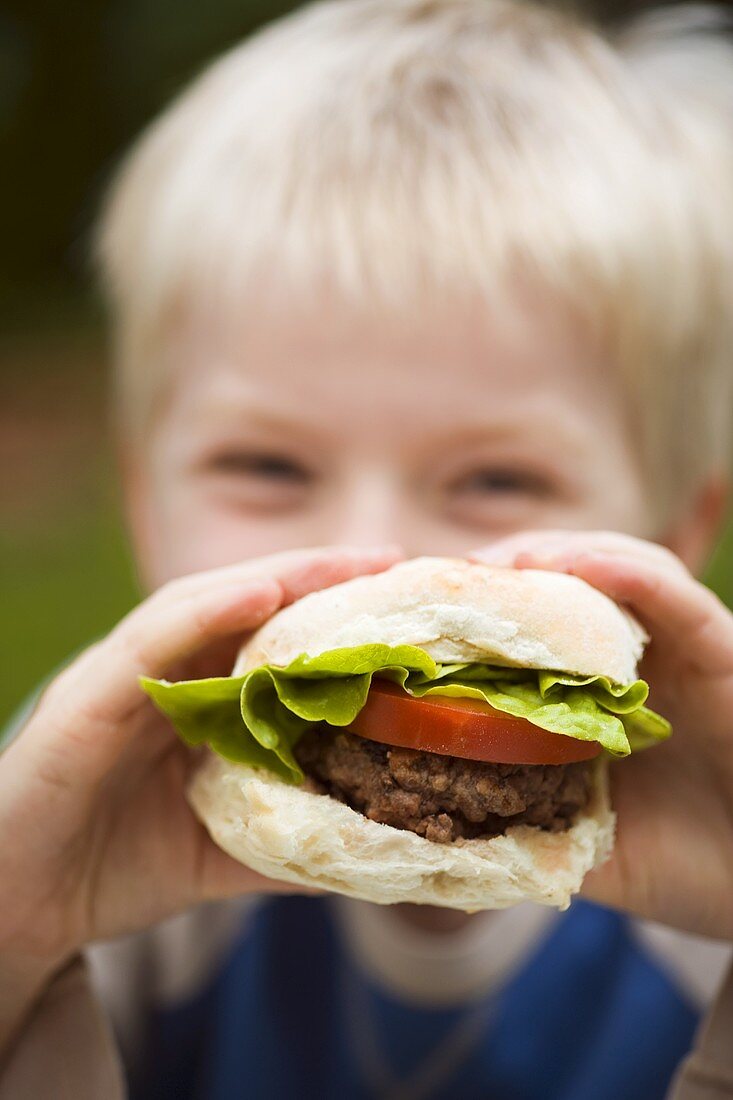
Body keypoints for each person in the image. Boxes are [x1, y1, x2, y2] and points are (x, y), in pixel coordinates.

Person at [2, 1, 733, 1097]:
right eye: (266, 467)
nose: (372, 555)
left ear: (674, 540)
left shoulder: (704, 908)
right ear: (143, 504)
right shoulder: (85, 815)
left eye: (498, 479)